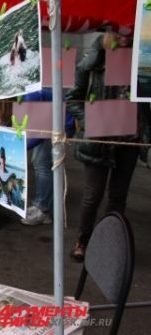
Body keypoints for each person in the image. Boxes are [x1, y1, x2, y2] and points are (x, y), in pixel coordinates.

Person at [66, 32, 143, 262]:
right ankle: (83, 241)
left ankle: (110, 244)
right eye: (118, 33)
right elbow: (72, 99)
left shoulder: (141, 59)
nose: (124, 38)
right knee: (93, 195)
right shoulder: (93, 61)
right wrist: (92, 120)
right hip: (99, 140)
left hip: (129, 140)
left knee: (118, 196)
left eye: (129, 33)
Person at [21, 89, 54, 226]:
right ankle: (42, 205)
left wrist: (23, 146)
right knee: (39, 161)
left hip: (55, 124)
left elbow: (41, 133)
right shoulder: (25, 96)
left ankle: (43, 210)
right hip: (49, 122)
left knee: (41, 163)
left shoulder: (30, 96)